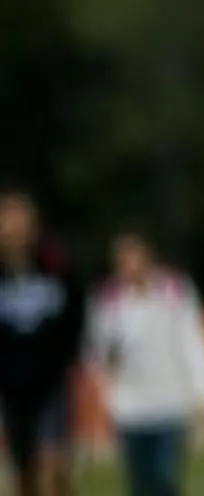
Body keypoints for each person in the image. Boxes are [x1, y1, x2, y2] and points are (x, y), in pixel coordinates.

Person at [86, 235, 204, 496]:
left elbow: (192, 342)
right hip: (129, 409)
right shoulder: (109, 302)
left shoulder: (174, 290)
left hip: (170, 403)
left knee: (165, 479)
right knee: (140, 484)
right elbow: (98, 355)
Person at [0, 192, 83, 496]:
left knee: (54, 466)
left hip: (51, 383)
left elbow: (76, 315)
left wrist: (71, 359)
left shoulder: (55, 265)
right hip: (11, 389)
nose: (13, 230)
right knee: (25, 474)